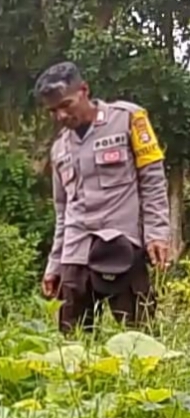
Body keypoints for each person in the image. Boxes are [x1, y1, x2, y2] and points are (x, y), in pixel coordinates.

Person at [35, 61, 170, 333]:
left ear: (84, 90)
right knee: (72, 340)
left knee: (139, 337)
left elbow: (152, 181)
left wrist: (157, 233)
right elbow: (62, 212)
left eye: (66, 105)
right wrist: (54, 265)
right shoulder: (59, 149)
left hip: (122, 245)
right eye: (53, 111)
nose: (61, 116)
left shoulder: (128, 119)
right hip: (76, 252)